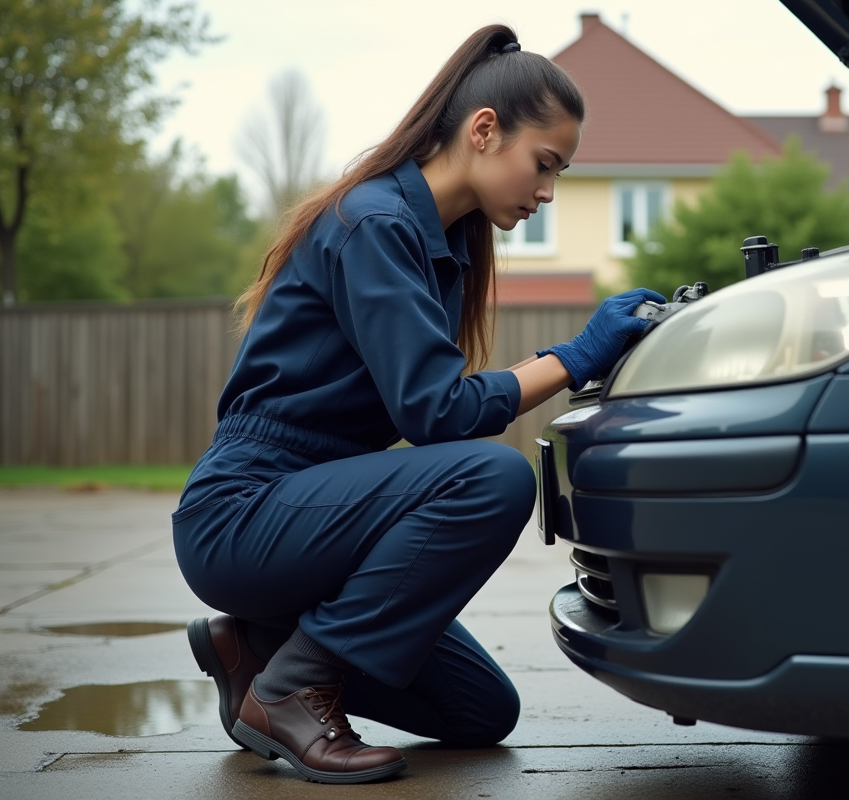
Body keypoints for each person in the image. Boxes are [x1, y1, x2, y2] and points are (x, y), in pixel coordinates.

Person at [172, 25, 664, 785]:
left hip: (309, 526)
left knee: (479, 713)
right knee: (491, 479)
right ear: (484, 130)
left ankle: (258, 650)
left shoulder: (442, 245)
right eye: (544, 165)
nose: (546, 192)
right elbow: (435, 414)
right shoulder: (375, 223)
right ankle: (294, 690)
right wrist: (572, 358)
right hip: (245, 512)